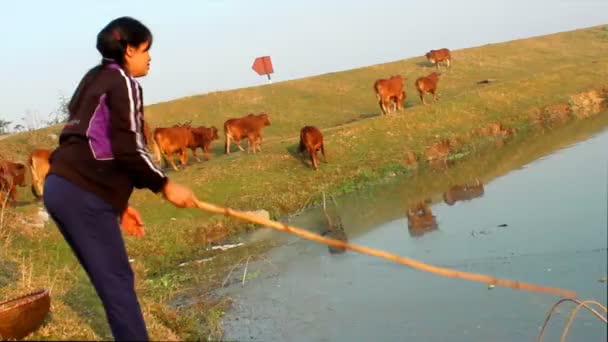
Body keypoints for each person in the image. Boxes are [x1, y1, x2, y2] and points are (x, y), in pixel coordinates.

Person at [43, 17, 197, 341]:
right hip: (80, 191)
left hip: (60, 186)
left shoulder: (93, 79)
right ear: (129, 50)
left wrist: (119, 204)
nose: (149, 57)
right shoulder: (124, 82)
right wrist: (164, 185)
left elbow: (90, 142)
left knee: (110, 282)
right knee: (117, 282)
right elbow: (129, 148)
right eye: (145, 50)